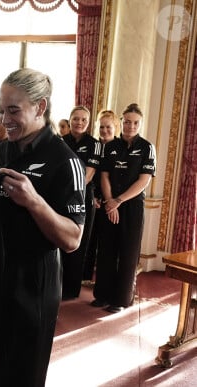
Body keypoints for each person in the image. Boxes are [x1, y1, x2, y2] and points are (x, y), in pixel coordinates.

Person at [0, 68, 86, 386]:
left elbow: (72, 238)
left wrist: (35, 201)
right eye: (2, 110)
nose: (5, 119)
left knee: (23, 377)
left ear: (40, 107)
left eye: (13, 110)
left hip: (33, 287)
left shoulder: (65, 160)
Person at [91, 103, 156, 313]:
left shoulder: (147, 147)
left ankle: (121, 300)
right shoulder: (110, 147)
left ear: (140, 123)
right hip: (111, 204)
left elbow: (144, 180)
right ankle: (102, 295)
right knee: (107, 250)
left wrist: (118, 200)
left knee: (127, 253)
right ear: (121, 122)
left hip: (131, 206)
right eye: (127, 121)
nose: (130, 126)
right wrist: (110, 202)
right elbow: (104, 176)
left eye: (135, 122)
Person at [60, 106, 101, 299]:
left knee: (79, 243)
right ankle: (57, 285)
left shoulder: (95, 144)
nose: (79, 122)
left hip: (83, 196)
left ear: (88, 122)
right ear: (70, 120)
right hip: (61, 196)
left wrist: (70, 191)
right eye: (76, 118)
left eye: (84, 120)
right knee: (60, 240)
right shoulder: (61, 141)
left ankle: (71, 290)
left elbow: (89, 174)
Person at [82, 109, 120, 285]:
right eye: (101, 127)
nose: (105, 130)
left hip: (114, 202)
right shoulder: (94, 145)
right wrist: (95, 198)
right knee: (90, 240)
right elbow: (92, 176)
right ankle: (86, 277)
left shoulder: (120, 147)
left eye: (108, 127)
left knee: (109, 244)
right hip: (94, 200)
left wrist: (109, 201)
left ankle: (106, 281)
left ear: (116, 127)